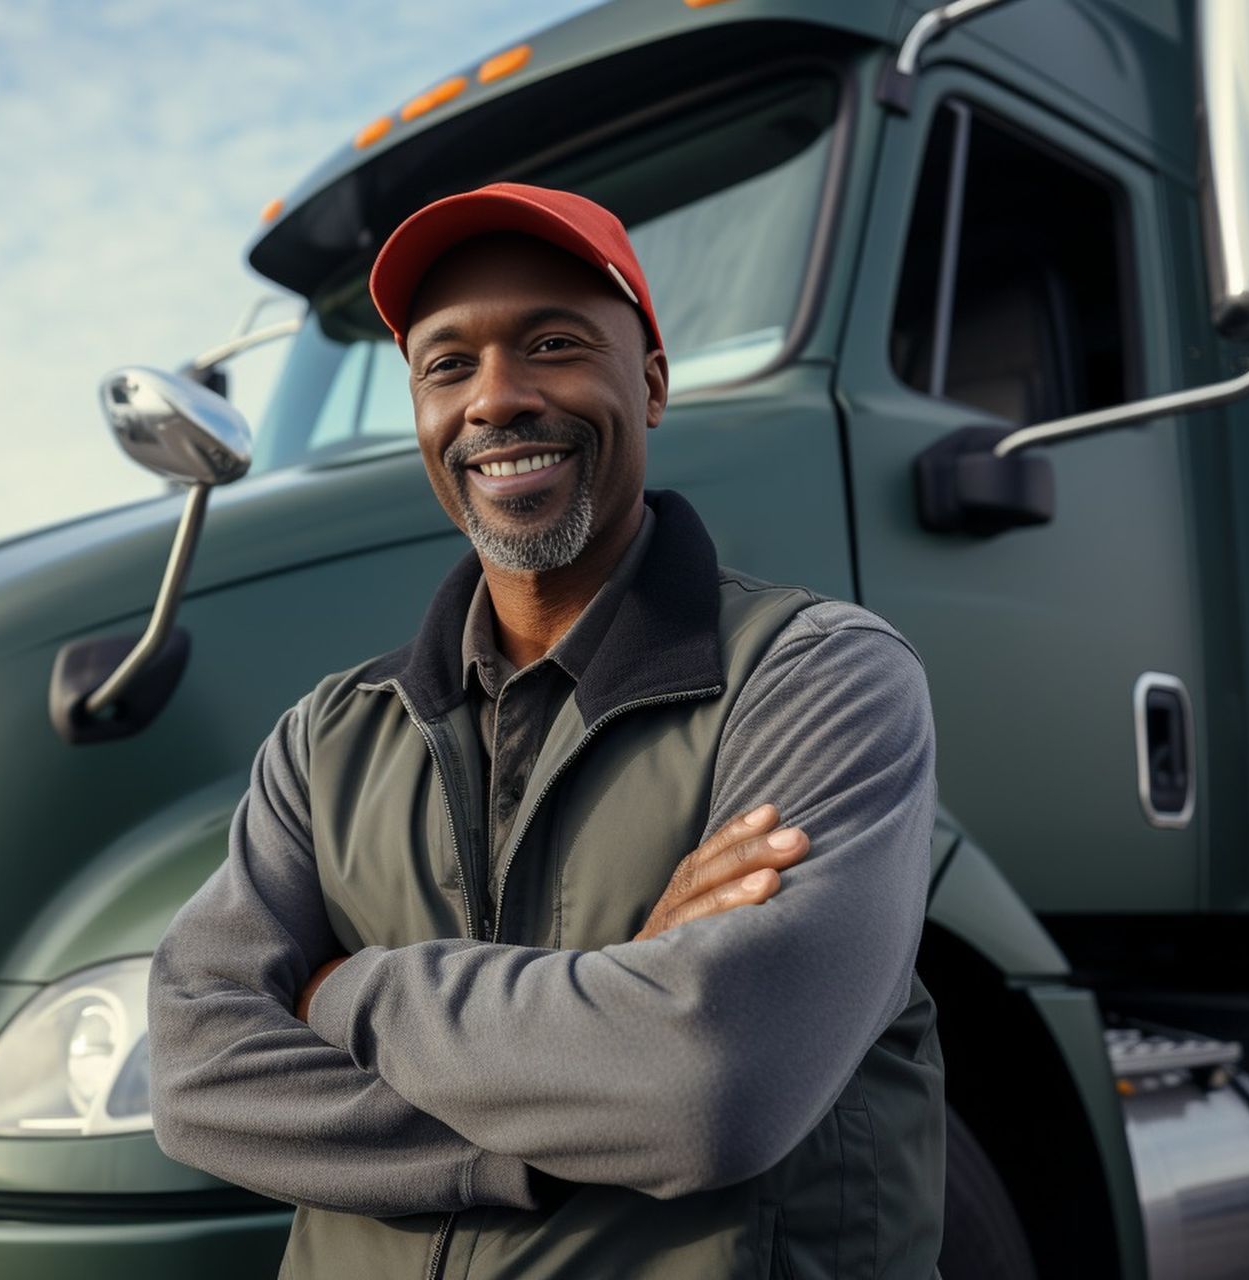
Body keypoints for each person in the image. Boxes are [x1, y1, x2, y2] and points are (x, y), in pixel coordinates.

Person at [147, 182, 945, 1279]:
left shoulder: (818, 676)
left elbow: (709, 1085)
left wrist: (340, 988)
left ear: (652, 383)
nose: (497, 400)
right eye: (447, 365)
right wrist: (604, 1020)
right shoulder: (328, 736)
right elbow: (193, 1079)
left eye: (554, 342)